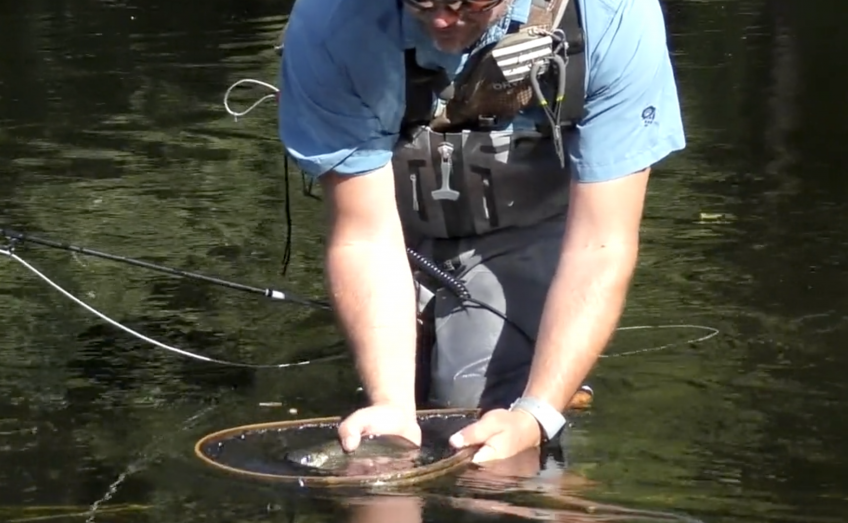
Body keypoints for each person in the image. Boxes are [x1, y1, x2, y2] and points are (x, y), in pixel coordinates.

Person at [274, 0, 685, 463]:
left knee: (481, 428)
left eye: (469, 3)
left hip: (530, 230)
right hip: (394, 229)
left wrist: (535, 415)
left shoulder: (612, 15)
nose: (445, 20)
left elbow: (600, 244)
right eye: (422, 2)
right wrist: (391, 405)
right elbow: (365, 236)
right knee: (381, 445)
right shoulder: (330, 20)